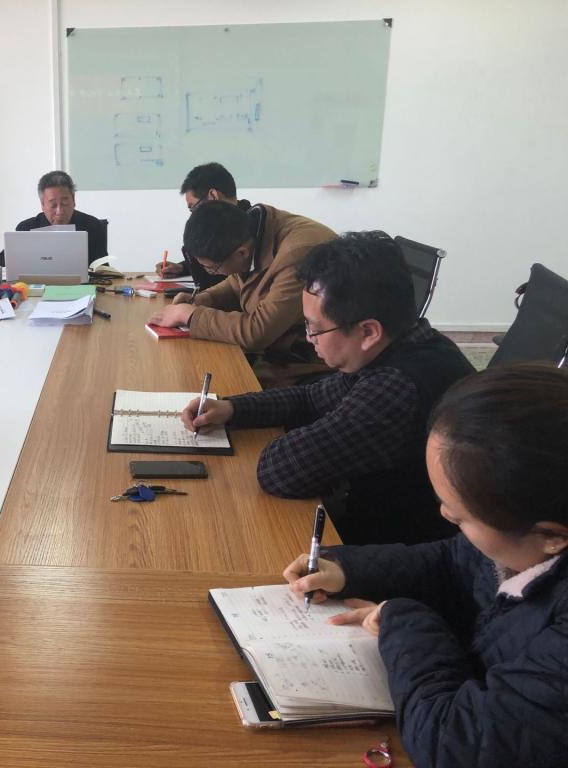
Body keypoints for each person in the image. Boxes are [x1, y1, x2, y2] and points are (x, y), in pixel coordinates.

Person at [283, 364, 568, 768]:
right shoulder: (528, 528)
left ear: (551, 536)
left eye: (459, 516)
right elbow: (453, 562)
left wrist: (403, 621)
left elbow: (454, 744)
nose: (444, 514)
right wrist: (349, 569)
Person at [183, 231, 476, 545]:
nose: (309, 339)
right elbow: (312, 397)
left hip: (400, 546)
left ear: (368, 332)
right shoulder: (407, 342)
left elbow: (280, 471)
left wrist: (316, 431)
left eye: (315, 328)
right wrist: (231, 408)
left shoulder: (396, 388)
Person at [150, 200, 336, 387]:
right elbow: (237, 282)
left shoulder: (297, 255)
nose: (211, 273)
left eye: (212, 268)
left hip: (311, 363)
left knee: (213, 382)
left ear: (242, 253)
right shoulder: (251, 232)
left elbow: (258, 332)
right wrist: (202, 299)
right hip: (279, 349)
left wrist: (190, 316)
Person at [155, 161, 246, 289]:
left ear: (213, 196)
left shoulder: (246, 231)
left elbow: (215, 280)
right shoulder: (238, 220)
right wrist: (182, 267)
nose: (193, 216)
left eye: (193, 208)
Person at [11, 170, 107, 269]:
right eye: (53, 205)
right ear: (42, 205)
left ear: (74, 200)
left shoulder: (93, 226)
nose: (59, 211)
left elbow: (103, 270)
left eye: (65, 203)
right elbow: (5, 264)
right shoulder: (26, 229)